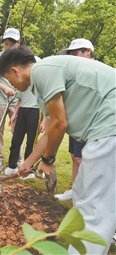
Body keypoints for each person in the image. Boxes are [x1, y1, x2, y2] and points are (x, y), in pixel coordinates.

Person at [0, 45, 116, 254]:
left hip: (109, 126)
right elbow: (51, 128)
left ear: (15, 71)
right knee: (82, 194)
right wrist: (28, 163)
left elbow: (60, 124)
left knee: (95, 208)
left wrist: (48, 160)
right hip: (103, 129)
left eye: (8, 80)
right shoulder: (41, 82)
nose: (13, 87)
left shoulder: (43, 70)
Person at [54, 38, 94, 201]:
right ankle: (76, 190)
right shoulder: (76, 73)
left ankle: (87, 194)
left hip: (92, 122)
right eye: (71, 55)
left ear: (88, 52)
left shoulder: (97, 71)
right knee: (74, 156)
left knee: (84, 158)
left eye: (76, 54)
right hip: (76, 120)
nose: (73, 58)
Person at [0, 28, 20, 165]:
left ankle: (18, 159)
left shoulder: (23, 60)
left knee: (17, 130)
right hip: (0, 100)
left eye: (12, 44)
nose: (8, 47)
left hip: (17, 100)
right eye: (6, 44)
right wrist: (5, 88)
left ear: (18, 43)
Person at [5, 78, 46, 176]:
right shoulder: (23, 83)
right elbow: (20, 99)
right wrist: (14, 114)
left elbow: (45, 104)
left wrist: (44, 121)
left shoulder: (41, 84)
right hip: (23, 111)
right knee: (16, 140)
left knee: (31, 143)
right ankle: (12, 166)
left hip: (35, 111)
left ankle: (28, 169)